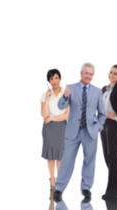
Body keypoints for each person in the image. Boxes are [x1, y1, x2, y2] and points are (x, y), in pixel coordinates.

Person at [54, 63, 106, 203]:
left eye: (91, 74)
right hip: (73, 132)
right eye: (86, 73)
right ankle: (59, 189)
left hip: (90, 132)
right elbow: (60, 106)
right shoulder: (71, 88)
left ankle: (86, 189)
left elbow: (102, 113)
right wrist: (65, 97)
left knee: (89, 161)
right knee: (67, 161)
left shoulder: (97, 91)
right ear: (81, 73)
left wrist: (99, 127)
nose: (88, 76)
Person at [41, 69, 69, 199]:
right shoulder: (45, 94)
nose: (54, 81)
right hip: (49, 129)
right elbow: (44, 114)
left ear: (60, 79)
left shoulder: (66, 94)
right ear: (49, 81)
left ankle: (60, 182)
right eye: (51, 79)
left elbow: (66, 115)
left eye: (56, 78)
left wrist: (52, 118)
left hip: (61, 127)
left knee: (60, 156)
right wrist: (46, 99)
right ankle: (52, 180)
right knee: (50, 156)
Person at [101, 65, 117, 200]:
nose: (112, 75)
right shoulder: (104, 89)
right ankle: (113, 187)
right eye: (111, 72)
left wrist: (116, 117)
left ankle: (113, 191)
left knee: (113, 155)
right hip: (103, 124)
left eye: (115, 73)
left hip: (113, 124)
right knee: (106, 156)